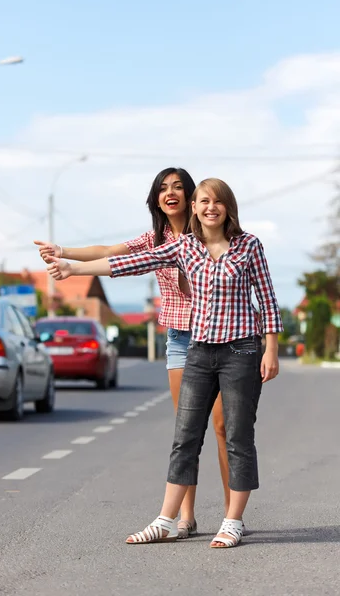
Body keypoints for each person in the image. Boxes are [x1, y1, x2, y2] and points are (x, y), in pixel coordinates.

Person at [44, 177, 283, 548]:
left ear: (228, 207)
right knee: (184, 436)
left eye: (217, 202)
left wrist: (271, 349)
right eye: (204, 201)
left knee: (236, 436)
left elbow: (267, 300)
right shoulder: (185, 247)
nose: (210, 207)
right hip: (200, 351)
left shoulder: (248, 246)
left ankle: (233, 521)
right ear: (195, 208)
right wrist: (73, 268)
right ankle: (167, 520)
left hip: (241, 352)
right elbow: (133, 262)